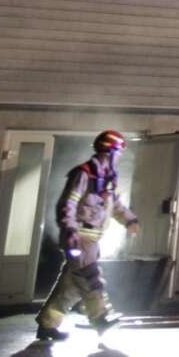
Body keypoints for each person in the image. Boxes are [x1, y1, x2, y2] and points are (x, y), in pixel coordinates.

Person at [36, 130, 139, 341]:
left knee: (71, 286)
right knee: (89, 277)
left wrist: (130, 220)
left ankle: (47, 324)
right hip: (79, 236)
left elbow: (115, 205)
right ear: (109, 152)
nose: (119, 157)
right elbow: (68, 203)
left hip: (93, 237)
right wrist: (69, 229)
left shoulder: (107, 178)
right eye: (118, 152)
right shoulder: (83, 174)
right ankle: (100, 318)